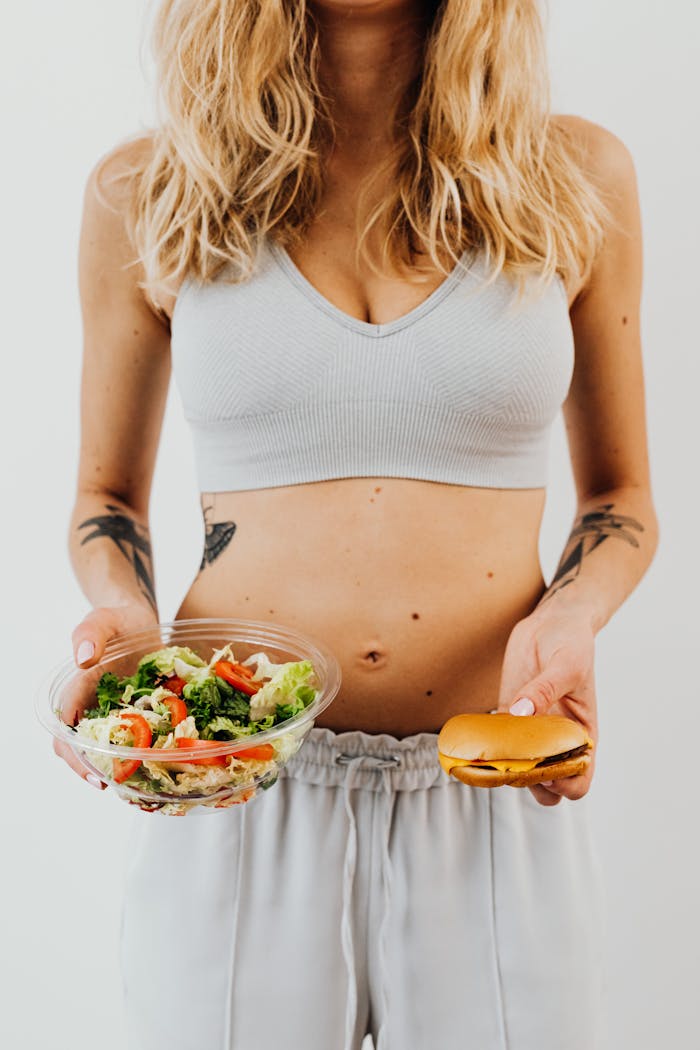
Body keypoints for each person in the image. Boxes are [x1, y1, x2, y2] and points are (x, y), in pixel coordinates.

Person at [54, 1, 658, 1047]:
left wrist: (571, 623)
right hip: (238, 787)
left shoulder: (574, 178)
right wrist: (122, 617)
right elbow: (105, 499)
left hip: (490, 782)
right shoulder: (149, 188)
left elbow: (619, 498)